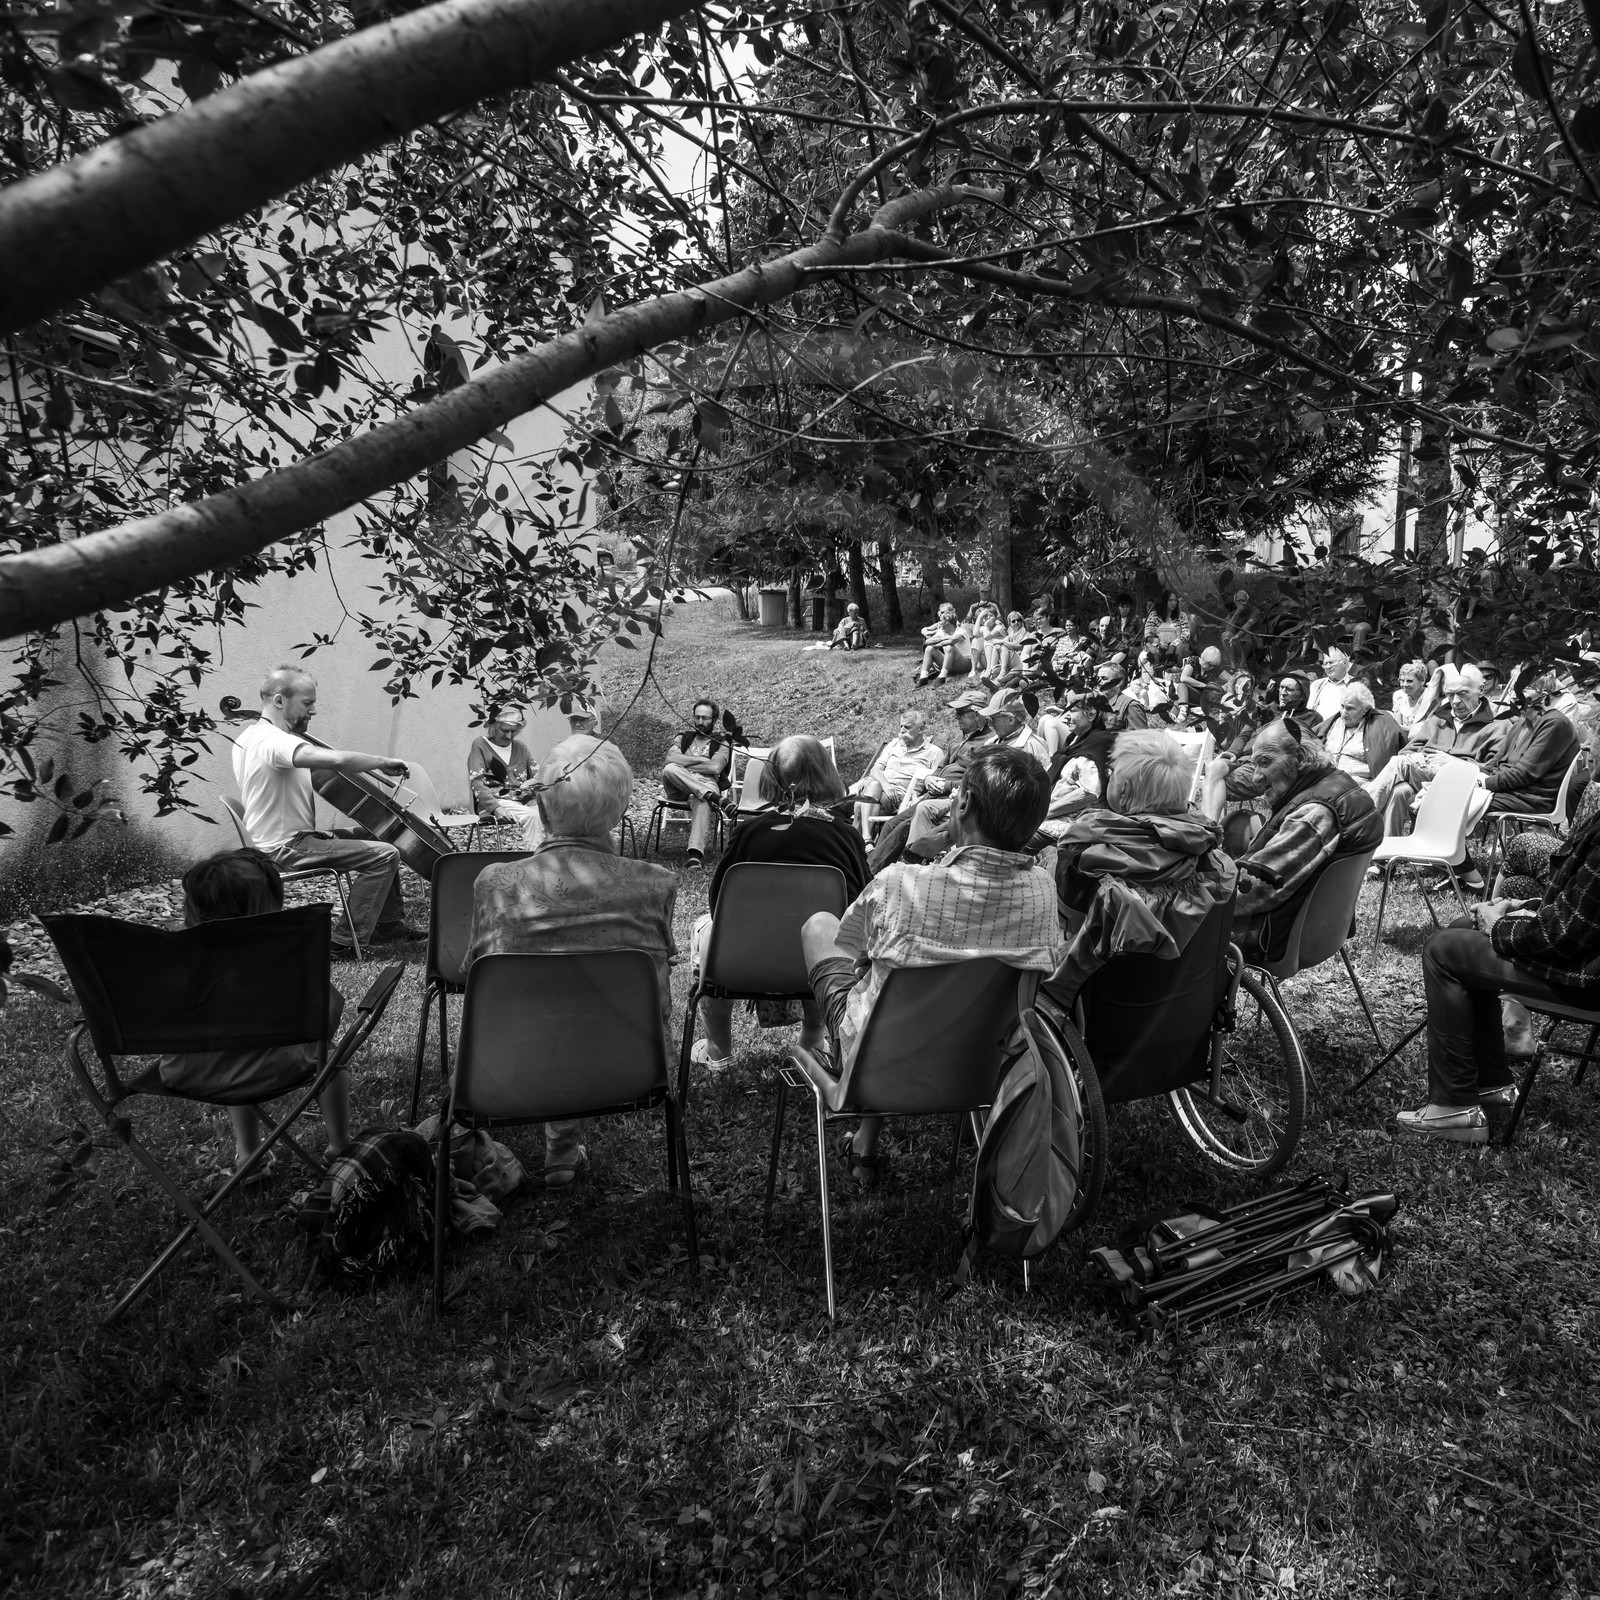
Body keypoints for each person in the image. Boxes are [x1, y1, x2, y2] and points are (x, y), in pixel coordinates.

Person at [800, 747, 1065, 1185]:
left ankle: (834, 1061)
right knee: (903, 981)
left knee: (819, 928)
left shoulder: (900, 883)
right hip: (984, 1068)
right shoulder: (1042, 890)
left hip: (875, 1065)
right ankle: (865, 1144)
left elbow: (852, 948)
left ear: (961, 804)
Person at [465, 736, 676, 1188]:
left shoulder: (495, 884)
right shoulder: (655, 885)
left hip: (509, 1071)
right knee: (584, 993)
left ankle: (561, 1148)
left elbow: (476, 978)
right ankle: (562, 1150)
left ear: (541, 809)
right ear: (620, 812)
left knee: (552, 996)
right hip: (634, 1068)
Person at [1401, 811, 1600, 1143]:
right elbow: (1583, 909)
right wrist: (1527, 907)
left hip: (1583, 979)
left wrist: (1499, 925)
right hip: (1582, 962)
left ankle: (1453, 1108)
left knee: (1443, 950)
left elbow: (1564, 934)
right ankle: (1492, 1086)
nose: (1588, 754)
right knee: (1462, 929)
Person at [161, 848, 350, 1176]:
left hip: (186, 1071)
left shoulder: (177, 961)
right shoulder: (284, 959)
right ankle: (339, 1146)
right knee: (330, 1058)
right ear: (266, 912)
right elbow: (327, 1021)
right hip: (272, 1069)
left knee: (234, 1051)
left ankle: (248, 1154)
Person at [689, 736, 871, 1069]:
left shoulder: (749, 832)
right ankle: (812, 1041)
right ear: (826, 775)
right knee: (835, 934)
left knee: (705, 929)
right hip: (820, 963)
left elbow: (718, 906)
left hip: (741, 962)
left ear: (770, 779)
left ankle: (719, 1053)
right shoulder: (846, 836)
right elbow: (861, 908)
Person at [232, 665, 420, 955]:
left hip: (292, 838)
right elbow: (335, 760)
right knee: (385, 855)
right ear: (279, 701)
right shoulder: (274, 741)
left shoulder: (249, 736)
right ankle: (344, 943)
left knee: (381, 836)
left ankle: (387, 924)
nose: (314, 711)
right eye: (307, 703)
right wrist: (380, 761)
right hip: (286, 848)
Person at [1046, 730, 1238, 1001]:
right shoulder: (1215, 859)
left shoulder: (1085, 853)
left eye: (1111, 772)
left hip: (1096, 1004)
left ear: (1122, 791)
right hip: (1186, 1004)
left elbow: (1057, 927)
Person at [1202, 719, 1383, 963]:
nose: (1256, 778)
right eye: (1254, 765)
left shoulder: (1314, 814)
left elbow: (1254, 892)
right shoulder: (1338, 784)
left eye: (1265, 763)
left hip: (1270, 936)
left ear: (1298, 756)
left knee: (1160, 925)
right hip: (1315, 928)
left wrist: (1189, 895)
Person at [893, 692, 1046, 863]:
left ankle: (911, 863)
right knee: (898, 825)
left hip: (992, 815)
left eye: (993, 717)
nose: (989, 721)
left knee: (918, 817)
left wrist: (955, 791)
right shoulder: (992, 742)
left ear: (1010, 719)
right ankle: (907, 862)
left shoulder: (1032, 747)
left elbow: (1037, 793)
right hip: (967, 802)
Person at [1363, 664, 1504, 837]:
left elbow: (1493, 772)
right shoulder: (1438, 719)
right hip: (1424, 772)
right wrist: (1416, 756)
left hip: (1463, 781)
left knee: (1398, 763)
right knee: (1398, 791)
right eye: (1451, 695)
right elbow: (1406, 751)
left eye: (1462, 693)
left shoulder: (1497, 726)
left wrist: (1456, 763)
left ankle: (1358, 816)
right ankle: (1385, 856)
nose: (1456, 701)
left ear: (1480, 690)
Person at [867, 691, 997, 868]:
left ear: (976, 715)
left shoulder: (989, 742)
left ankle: (879, 872)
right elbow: (941, 767)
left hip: (954, 797)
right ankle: (871, 871)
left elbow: (981, 781)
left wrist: (946, 785)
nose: (956, 717)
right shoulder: (959, 738)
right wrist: (930, 778)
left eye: (960, 713)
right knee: (891, 824)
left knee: (904, 827)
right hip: (933, 793)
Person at [849, 707, 945, 840]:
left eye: (907, 727)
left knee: (861, 803)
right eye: (901, 726)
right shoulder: (894, 745)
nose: (902, 730)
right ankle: (866, 841)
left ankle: (856, 844)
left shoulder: (933, 752)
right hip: (881, 788)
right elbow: (875, 770)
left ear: (921, 729)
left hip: (899, 796)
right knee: (872, 788)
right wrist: (886, 786)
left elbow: (934, 781)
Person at [661, 698, 734, 869]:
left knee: (701, 799)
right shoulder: (683, 737)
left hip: (706, 783)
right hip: (679, 785)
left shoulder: (723, 741)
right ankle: (715, 798)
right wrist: (702, 761)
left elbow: (716, 767)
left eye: (705, 718)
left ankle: (694, 856)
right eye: (697, 717)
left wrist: (685, 761)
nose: (700, 722)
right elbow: (670, 758)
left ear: (714, 720)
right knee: (670, 769)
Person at [468, 704, 538, 836]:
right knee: (533, 816)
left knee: (554, 814)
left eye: (513, 731)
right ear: (493, 728)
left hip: (524, 801)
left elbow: (539, 775)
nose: (509, 735)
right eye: (504, 730)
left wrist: (530, 783)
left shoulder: (520, 746)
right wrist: (495, 808)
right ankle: (535, 854)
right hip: (496, 802)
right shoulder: (480, 745)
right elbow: (477, 782)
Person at [1321, 682, 1402, 783]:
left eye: (1350, 708)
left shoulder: (1379, 725)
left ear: (1366, 709)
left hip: (1358, 784)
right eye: (1342, 706)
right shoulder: (1333, 722)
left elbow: (1384, 762)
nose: (1343, 713)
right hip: (1326, 779)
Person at [916, 603, 972, 683]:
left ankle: (942, 676)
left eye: (941, 621)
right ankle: (923, 677)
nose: (939, 623)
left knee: (950, 647)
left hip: (964, 664)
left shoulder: (961, 631)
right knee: (929, 648)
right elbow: (928, 641)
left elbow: (952, 641)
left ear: (947, 622)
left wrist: (938, 645)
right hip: (950, 664)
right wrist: (942, 638)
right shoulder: (942, 632)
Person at [1390, 660, 1440, 733]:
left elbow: (1430, 729)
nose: (1405, 685)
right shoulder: (1398, 696)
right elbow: (1398, 726)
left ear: (1422, 681)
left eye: (1410, 681)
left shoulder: (1430, 697)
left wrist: (1406, 729)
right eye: (1402, 680)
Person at [1307, 649, 1353, 724]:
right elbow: (1309, 711)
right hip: (1318, 731)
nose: (1328, 667)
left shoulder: (1356, 684)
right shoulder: (1317, 685)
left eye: (1331, 663)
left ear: (1344, 663)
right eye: (1325, 664)